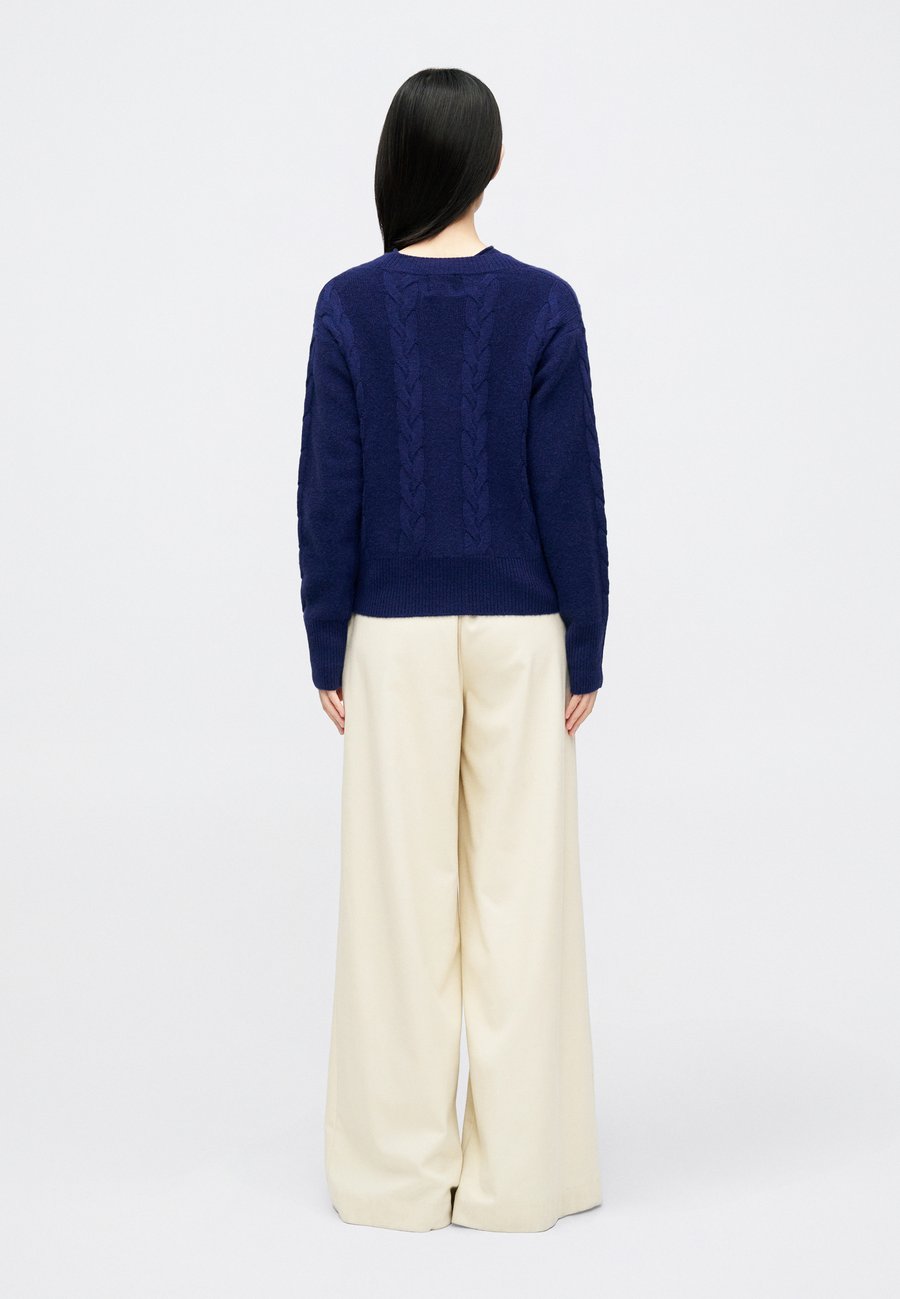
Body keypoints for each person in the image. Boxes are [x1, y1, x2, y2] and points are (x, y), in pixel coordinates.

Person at [296, 67, 610, 1233]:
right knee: (523, 902)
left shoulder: (347, 305)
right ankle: (521, 1181)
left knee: (396, 905)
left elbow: (329, 488)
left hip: (390, 635)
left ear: (400, 163)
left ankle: (394, 1183)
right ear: (489, 164)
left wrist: (327, 640)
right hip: (526, 636)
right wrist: (586, 643)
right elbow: (570, 489)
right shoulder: (545, 305)